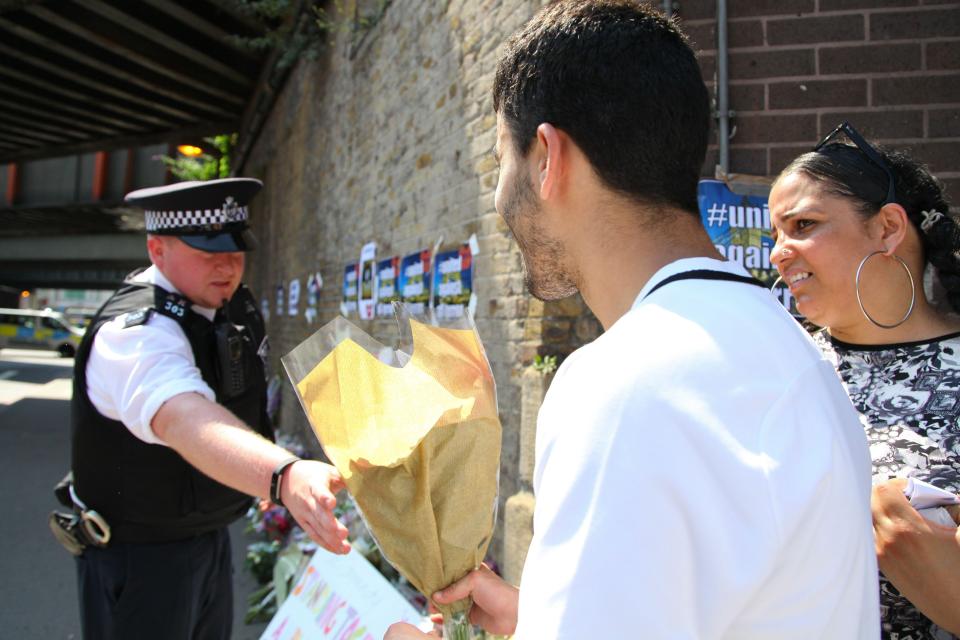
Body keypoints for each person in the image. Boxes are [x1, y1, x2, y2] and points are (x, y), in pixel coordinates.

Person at [386, 1, 879, 638]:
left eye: (502, 159)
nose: (502, 196)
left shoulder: (622, 386)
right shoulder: (790, 345)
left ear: (546, 157)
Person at [65, 178, 350, 640]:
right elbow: (183, 418)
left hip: (206, 534)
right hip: (141, 556)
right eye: (207, 252)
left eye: (236, 252)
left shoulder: (216, 308)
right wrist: (283, 476)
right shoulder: (136, 334)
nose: (227, 266)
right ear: (157, 250)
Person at [768, 121, 960, 638]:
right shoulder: (773, 366)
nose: (778, 252)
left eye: (803, 225)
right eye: (776, 235)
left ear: (888, 228)